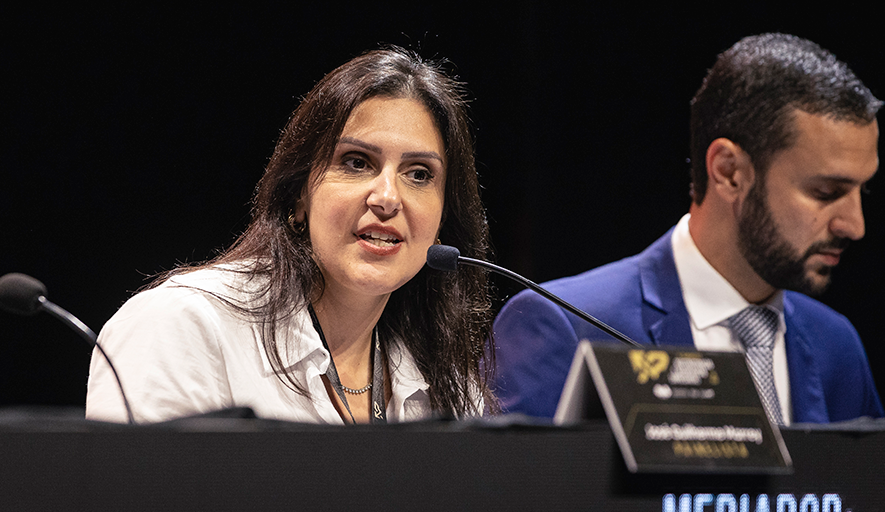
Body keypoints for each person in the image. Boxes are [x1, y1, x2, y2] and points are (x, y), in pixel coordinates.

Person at [87, 47, 496, 424]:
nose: (387, 198)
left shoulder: (450, 388)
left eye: (419, 174)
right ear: (299, 196)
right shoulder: (182, 327)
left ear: (442, 220)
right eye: (356, 162)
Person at [493, 33, 883, 424]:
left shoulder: (836, 346)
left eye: (862, 190)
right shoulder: (566, 326)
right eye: (826, 192)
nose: (855, 225)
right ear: (729, 172)